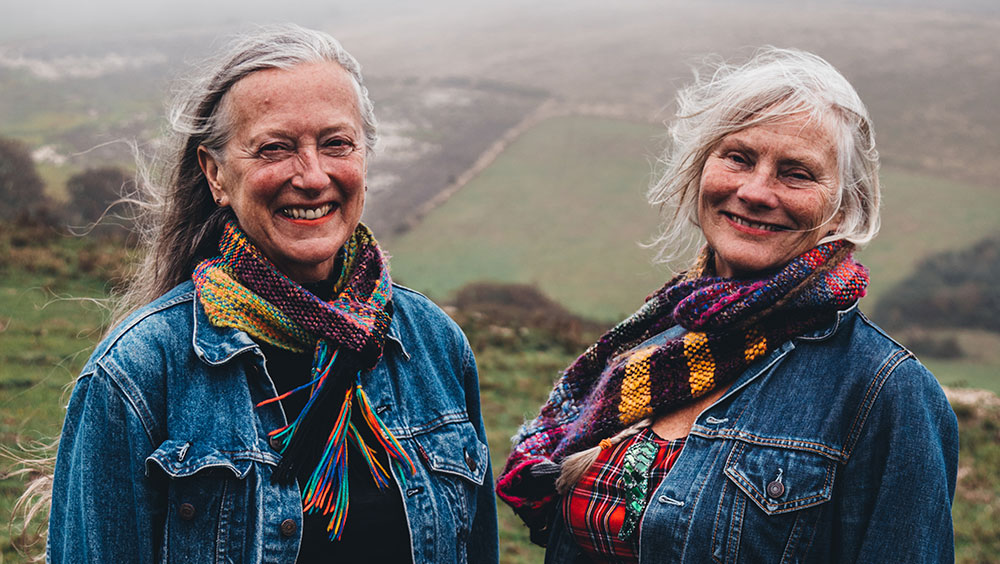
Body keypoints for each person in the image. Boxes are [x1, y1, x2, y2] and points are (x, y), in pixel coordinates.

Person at [45, 24, 498, 564]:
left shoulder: (433, 345)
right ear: (215, 174)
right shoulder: (140, 372)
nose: (311, 176)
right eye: (274, 148)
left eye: (336, 144)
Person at [496, 47, 958, 563]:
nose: (756, 191)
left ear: (843, 208)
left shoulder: (888, 393)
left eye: (797, 172)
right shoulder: (655, 344)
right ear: (701, 170)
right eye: (738, 157)